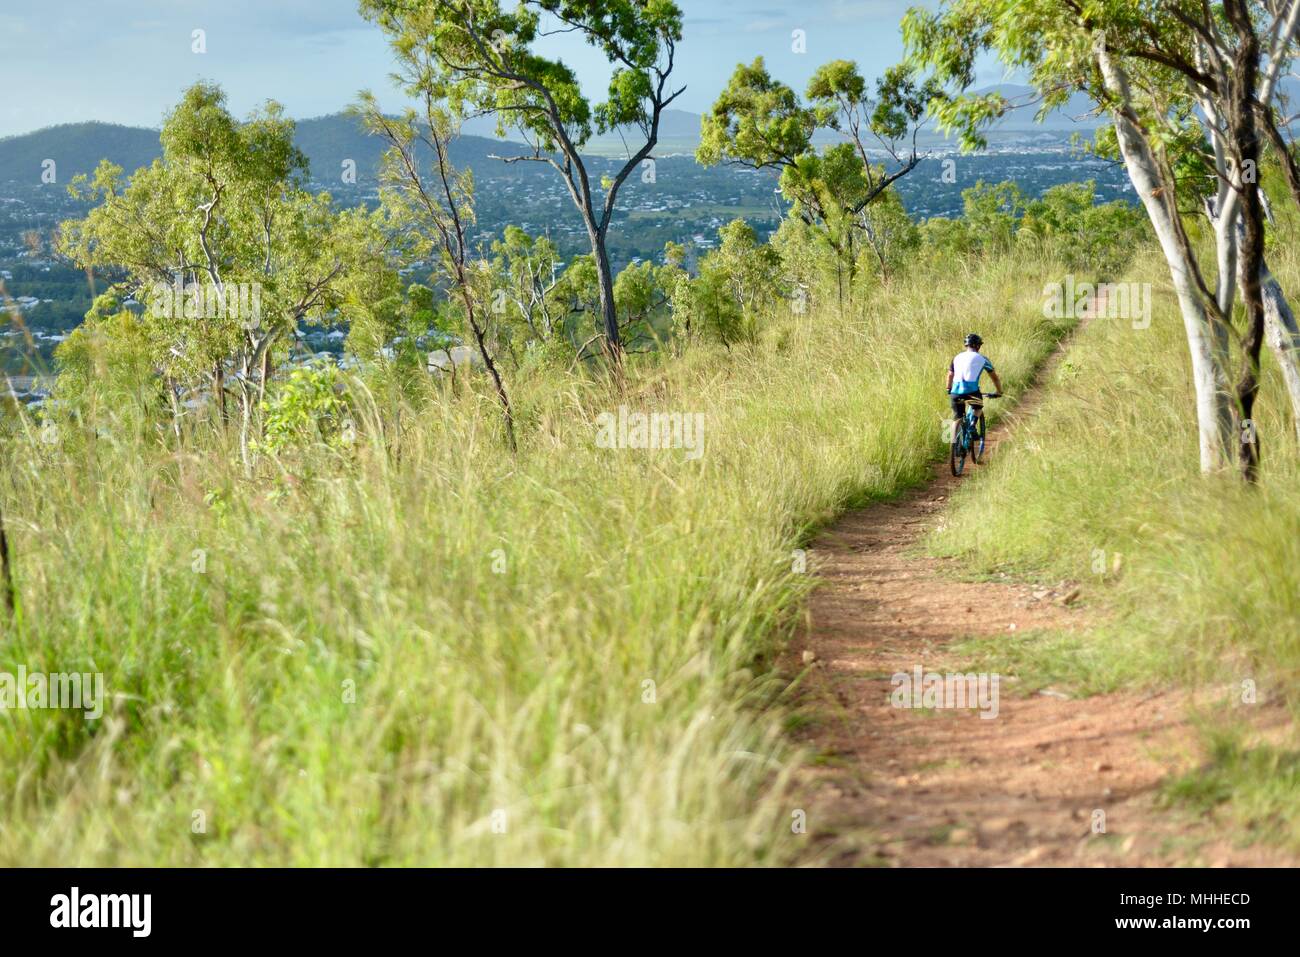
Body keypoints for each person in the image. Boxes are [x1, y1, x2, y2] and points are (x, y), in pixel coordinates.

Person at [946, 333, 1002, 426]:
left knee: (957, 418)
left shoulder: (956, 357)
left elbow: (950, 374)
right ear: (978, 346)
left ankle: (954, 439)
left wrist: (948, 389)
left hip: (955, 392)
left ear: (966, 345)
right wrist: (999, 391)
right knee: (978, 407)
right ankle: (972, 425)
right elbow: (995, 378)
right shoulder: (983, 359)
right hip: (971, 392)